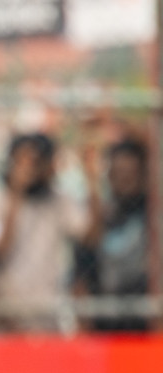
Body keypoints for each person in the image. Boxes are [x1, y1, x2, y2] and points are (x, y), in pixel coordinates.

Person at [0, 132, 87, 331]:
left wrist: (91, 180)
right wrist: (17, 193)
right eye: (22, 163)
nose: (30, 169)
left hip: (45, 321)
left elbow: (89, 236)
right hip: (2, 325)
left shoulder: (58, 201)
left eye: (36, 163)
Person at [75, 136, 151, 331]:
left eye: (130, 173)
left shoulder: (152, 214)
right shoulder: (102, 214)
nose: (124, 180)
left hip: (145, 320)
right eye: (118, 173)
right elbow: (82, 264)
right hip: (103, 322)